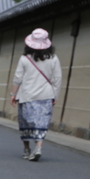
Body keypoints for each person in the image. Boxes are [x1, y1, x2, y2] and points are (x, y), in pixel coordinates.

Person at [10, 28, 63, 161]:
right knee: (42, 122)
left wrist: (13, 94)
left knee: (26, 123)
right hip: (45, 95)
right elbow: (57, 78)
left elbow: (18, 78)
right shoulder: (54, 58)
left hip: (27, 95)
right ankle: (38, 147)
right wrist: (55, 95)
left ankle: (27, 150)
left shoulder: (24, 59)